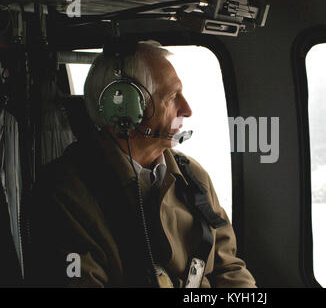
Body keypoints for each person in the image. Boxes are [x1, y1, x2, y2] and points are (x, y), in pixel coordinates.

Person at [26, 40, 256, 288]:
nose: (187, 109)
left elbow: (228, 268)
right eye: (172, 96)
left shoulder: (193, 176)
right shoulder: (66, 193)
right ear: (123, 108)